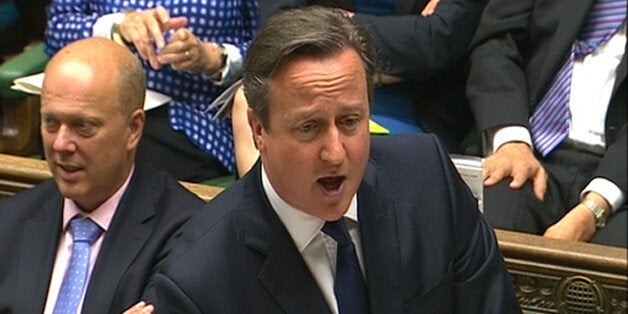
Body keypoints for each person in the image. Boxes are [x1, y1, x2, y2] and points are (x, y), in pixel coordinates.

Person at [145, 7, 520, 313]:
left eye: (350, 122)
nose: (335, 153)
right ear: (258, 129)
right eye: (309, 128)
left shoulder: (429, 180)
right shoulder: (197, 281)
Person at [0, 38, 205, 313]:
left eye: (82, 126)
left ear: (133, 129)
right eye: (50, 122)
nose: (60, 144)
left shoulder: (185, 234)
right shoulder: (10, 222)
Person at [232, 0, 487, 177]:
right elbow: (281, 28)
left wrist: (329, 23)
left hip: (423, 107)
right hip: (320, 89)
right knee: (247, 103)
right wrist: (410, 28)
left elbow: (438, 40)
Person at [465, 0, 626, 246]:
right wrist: (512, 140)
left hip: (618, 171)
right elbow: (496, 43)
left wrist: (596, 206)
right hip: (529, 146)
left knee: (614, 259)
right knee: (491, 226)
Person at [45, 0, 259, 182]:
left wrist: (215, 58)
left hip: (194, 119)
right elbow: (56, 31)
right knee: (72, 135)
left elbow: (271, 48)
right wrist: (116, 28)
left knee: (123, 150)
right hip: (99, 107)